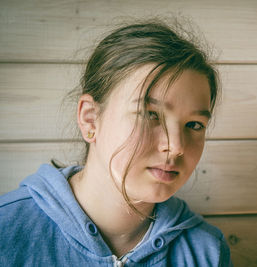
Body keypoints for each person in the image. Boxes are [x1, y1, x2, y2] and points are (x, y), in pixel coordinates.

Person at [0, 18, 232, 266]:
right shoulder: (7, 230)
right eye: (150, 115)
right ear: (90, 119)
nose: (176, 147)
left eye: (194, 125)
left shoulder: (207, 251)